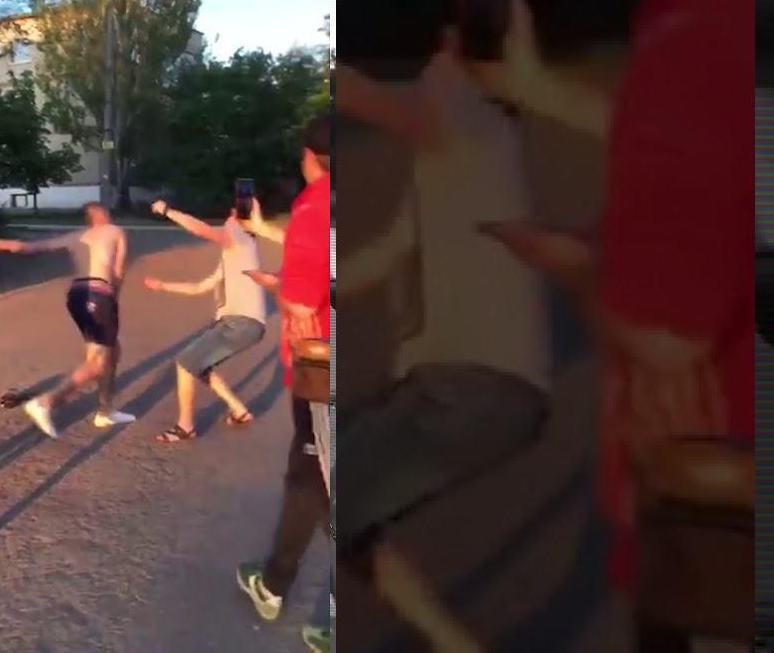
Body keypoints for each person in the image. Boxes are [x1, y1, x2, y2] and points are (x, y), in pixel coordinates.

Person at [468, 0, 753, 645]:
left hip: (715, 505)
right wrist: (537, 88)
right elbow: (716, 149)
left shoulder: (699, 17)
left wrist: (579, 267)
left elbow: (667, 337)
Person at [243, 32, 555, 653]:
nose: (432, 69)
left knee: (328, 487)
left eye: (446, 62)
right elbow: (382, 256)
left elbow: (371, 98)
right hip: (480, 391)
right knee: (354, 517)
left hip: (466, 387)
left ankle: (291, 592)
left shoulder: (474, 131)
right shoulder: (458, 171)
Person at [234, 111, 334, 652]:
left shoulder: (317, 203)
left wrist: (274, 284)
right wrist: (264, 230)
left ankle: (277, 587)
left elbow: (300, 302)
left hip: (323, 367)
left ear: (309, 157)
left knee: (312, 478)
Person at [0, 203, 135, 437]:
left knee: (111, 350)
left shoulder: (77, 236)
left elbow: (27, 247)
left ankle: (105, 410)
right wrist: (112, 301)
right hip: (98, 294)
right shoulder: (115, 231)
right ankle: (45, 403)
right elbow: (119, 272)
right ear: (104, 214)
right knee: (100, 361)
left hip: (77, 295)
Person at [141, 201, 267, 442]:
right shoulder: (235, 256)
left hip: (238, 324)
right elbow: (199, 287)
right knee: (199, 365)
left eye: (234, 214)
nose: (228, 217)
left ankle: (185, 427)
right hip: (244, 326)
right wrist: (163, 286)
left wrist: (167, 211)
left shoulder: (241, 239)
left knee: (185, 362)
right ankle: (239, 410)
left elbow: (201, 230)